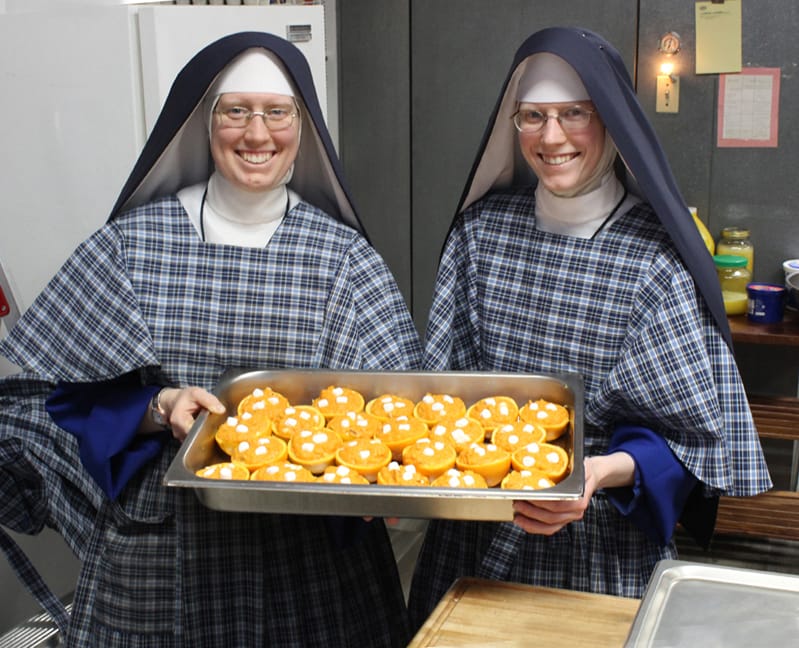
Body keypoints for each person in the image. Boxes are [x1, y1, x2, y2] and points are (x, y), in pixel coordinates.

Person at [0, 32, 421, 646]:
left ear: (303, 127)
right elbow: (50, 399)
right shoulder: (131, 245)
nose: (257, 133)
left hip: (309, 561)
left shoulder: (344, 258)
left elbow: (398, 413)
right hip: (163, 552)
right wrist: (156, 407)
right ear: (205, 122)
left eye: (277, 112)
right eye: (236, 111)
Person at [407, 26, 771, 626]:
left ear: (611, 120)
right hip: (475, 537)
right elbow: (440, 394)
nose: (551, 137)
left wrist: (595, 473)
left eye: (574, 113)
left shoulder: (655, 259)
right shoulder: (480, 235)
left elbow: (687, 444)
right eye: (533, 116)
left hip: (597, 545)